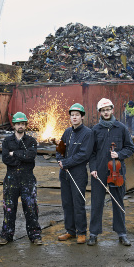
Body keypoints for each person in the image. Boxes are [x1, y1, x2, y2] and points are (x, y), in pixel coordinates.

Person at [88, 98, 134, 246]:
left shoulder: (121, 128)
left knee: (118, 203)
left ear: (112, 110)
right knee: (96, 203)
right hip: (100, 171)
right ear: (99, 112)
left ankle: (122, 234)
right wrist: (93, 168)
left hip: (117, 171)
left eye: (108, 109)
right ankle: (94, 233)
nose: (106, 112)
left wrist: (119, 155)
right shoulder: (95, 130)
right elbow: (92, 153)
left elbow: (130, 148)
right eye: (103, 110)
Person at [0, 112, 43, 245]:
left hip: (27, 178)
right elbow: (6, 159)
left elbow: (31, 156)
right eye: (18, 124)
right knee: (9, 208)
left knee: (30, 207)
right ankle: (6, 235)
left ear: (25, 125)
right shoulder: (7, 141)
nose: (20, 126)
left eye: (22, 124)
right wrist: (21, 157)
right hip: (11, 178)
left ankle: (35, 235)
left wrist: (15, 154)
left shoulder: (31, 141)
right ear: (14, 125)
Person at [56, 103, 94, 244]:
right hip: (65, 174)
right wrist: (60, 160)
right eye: (72, 115)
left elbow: (84, 155)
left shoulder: (88, 133)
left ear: (82, 117)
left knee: (78, 203)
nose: (75, 117)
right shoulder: (67, 132)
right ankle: (70, 231)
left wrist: (66, 163)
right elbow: (59, 149)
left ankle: (81, 232)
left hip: (78, 173)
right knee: (67, 203)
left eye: (77, 115)